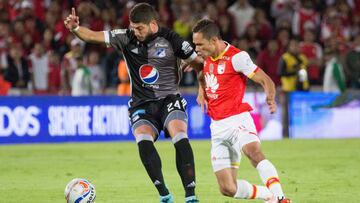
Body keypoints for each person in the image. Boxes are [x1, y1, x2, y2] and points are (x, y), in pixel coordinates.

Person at [64, 3, 202, 203]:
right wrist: (76, 29)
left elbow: (200, 64)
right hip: (141, 104)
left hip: (169, 99)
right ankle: (165, 195)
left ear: (153, 25)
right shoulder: (125, 37)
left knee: (180, 136)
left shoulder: (171, 39)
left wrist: (202, 88)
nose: (135, 32)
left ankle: (191, 196)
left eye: (140, 28)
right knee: (143, 142)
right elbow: (92, 36)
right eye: (133, 27)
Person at [192, 19, 291, 203]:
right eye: (194, 44)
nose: (196, 49)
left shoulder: (237, 58)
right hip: (217, 128)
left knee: (253, 153)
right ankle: (269, 196)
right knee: (228, 189)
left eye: (199, 44)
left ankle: (280, 197)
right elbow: (201, 70)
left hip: (238, 120)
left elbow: (265, 80)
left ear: (214, 40)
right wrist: (201, 89)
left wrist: (270, 96)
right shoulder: (206, 56)